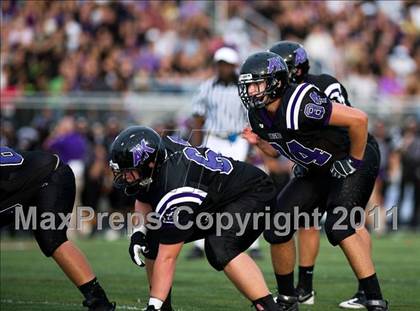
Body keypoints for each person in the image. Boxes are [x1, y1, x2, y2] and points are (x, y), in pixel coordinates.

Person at [238, 52, 388, 311]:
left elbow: (359, 120)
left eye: (257, 84)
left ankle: (374, 299)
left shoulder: (301, 101)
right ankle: (287, 299)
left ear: (275, 82)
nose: (250, 91)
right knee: (277, 225)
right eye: (248, 85)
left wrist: (354, 160)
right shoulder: (258, 116)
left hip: (351, 156)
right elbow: (279, 149)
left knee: (339, 225)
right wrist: (260, 143)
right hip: (319, 167)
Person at [109, 126, 279, 311]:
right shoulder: (158, 156)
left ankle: (269, 307)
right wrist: (139, 232)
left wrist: (153, 307)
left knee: (220, 246)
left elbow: (167, 258)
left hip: (252, 192)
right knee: (152, 236)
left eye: (129, 171)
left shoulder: (176, 190)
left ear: (149, 164)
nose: (125, 177)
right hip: (215, 196)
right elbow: (143, 196)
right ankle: (163, 307)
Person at [268, 41, 364, 307]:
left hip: (340, 160)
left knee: (348, 220)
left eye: (280, 69)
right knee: (305, 221)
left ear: (296, 68)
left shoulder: (322, 84)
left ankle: (366, 289)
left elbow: (343, 125)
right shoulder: (280, 97)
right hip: (311, 165)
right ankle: (304, 288)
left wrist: (334, 157)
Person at [0, 146, 115, 311]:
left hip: (52, 176)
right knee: (49, 239)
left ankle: (99, 302)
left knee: (52, 239)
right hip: (34, 182)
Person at [189, 46, 262, 259]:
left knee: (240, 190)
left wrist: (250, 146)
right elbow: (198, 119)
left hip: (237, 140)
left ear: (234, 66)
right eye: (219, 64)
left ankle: (252, 243)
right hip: (214, 139)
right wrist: (197, 150)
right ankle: (200, 244)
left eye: (226, 64)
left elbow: (252, 118)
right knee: (206, 190)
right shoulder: (206, 87)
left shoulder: (244, 88)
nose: (222, 68)